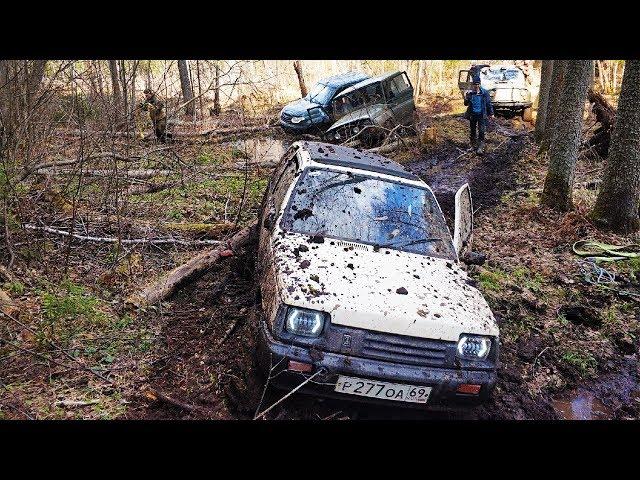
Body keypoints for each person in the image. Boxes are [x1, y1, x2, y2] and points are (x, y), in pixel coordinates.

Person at [464, 76, 494, 154]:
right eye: (475, 84)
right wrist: (466, 97)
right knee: (473, 131)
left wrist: (491, 113)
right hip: (473, 115)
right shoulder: (470, 93)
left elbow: (488, 104)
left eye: (477, 84)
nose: (476, 86)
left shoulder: (484, 93)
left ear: (480, 84)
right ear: (473, 85)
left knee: (481, 131)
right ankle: (473, 146)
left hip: (481, 115)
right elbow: (466, 104)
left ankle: (480, 147)